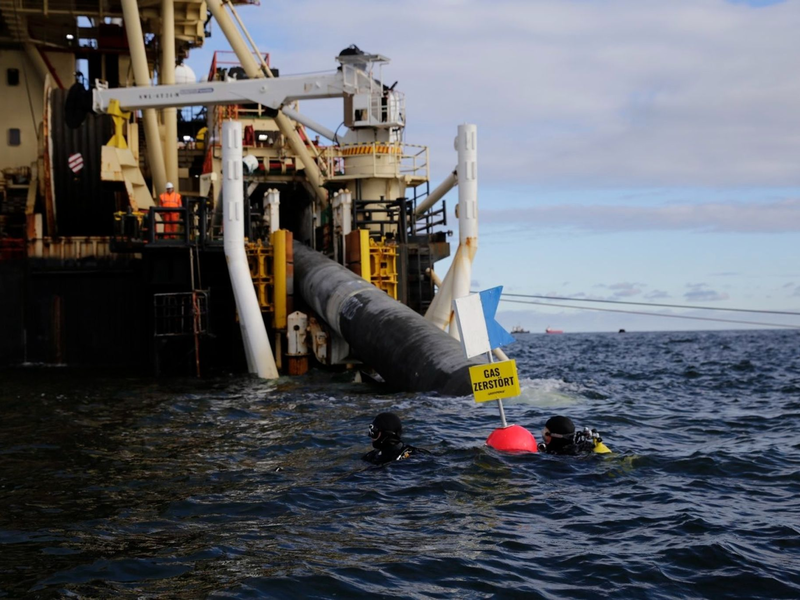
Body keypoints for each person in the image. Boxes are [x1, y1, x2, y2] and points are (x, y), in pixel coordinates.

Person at [362, 412, 428, 465]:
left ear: (386, 435)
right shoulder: (370, 457)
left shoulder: (414, 455)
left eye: (374, 433)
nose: (371, 437)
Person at [539, 415, 611, 455]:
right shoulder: (582, 445)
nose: (544, 437)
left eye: (546, 434)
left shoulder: (560, 454)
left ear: (556, 437)